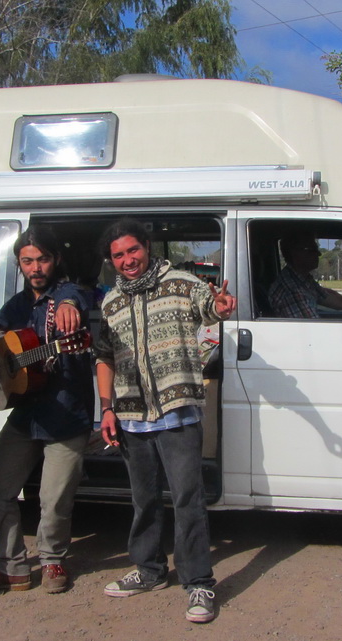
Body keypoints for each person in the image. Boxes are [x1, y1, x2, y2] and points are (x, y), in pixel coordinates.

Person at [94, 218, 236, 624]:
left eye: (133, 250)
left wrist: (221, 306)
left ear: (147, 247)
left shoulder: (180, 282)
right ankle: (150, 569)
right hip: (131, 416)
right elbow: (103, 357)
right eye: (119, 255)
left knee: (188, 500)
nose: (127, 260)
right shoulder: (110, 302)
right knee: (144, 501)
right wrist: (107, 409)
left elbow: (208, 306)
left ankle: (199, 583)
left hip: (177, 414)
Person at [0, 226, 93, 595]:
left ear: (55, 259)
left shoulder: (68, 294)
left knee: (53, 499)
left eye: (42, 259)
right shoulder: (18, 305)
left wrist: (72, 310)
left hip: (65, 415)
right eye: (27, 261)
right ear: (19, 264)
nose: (35, 267)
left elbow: (77, 299)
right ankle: (11, 565)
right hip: (26, 414)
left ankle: (52, 559)